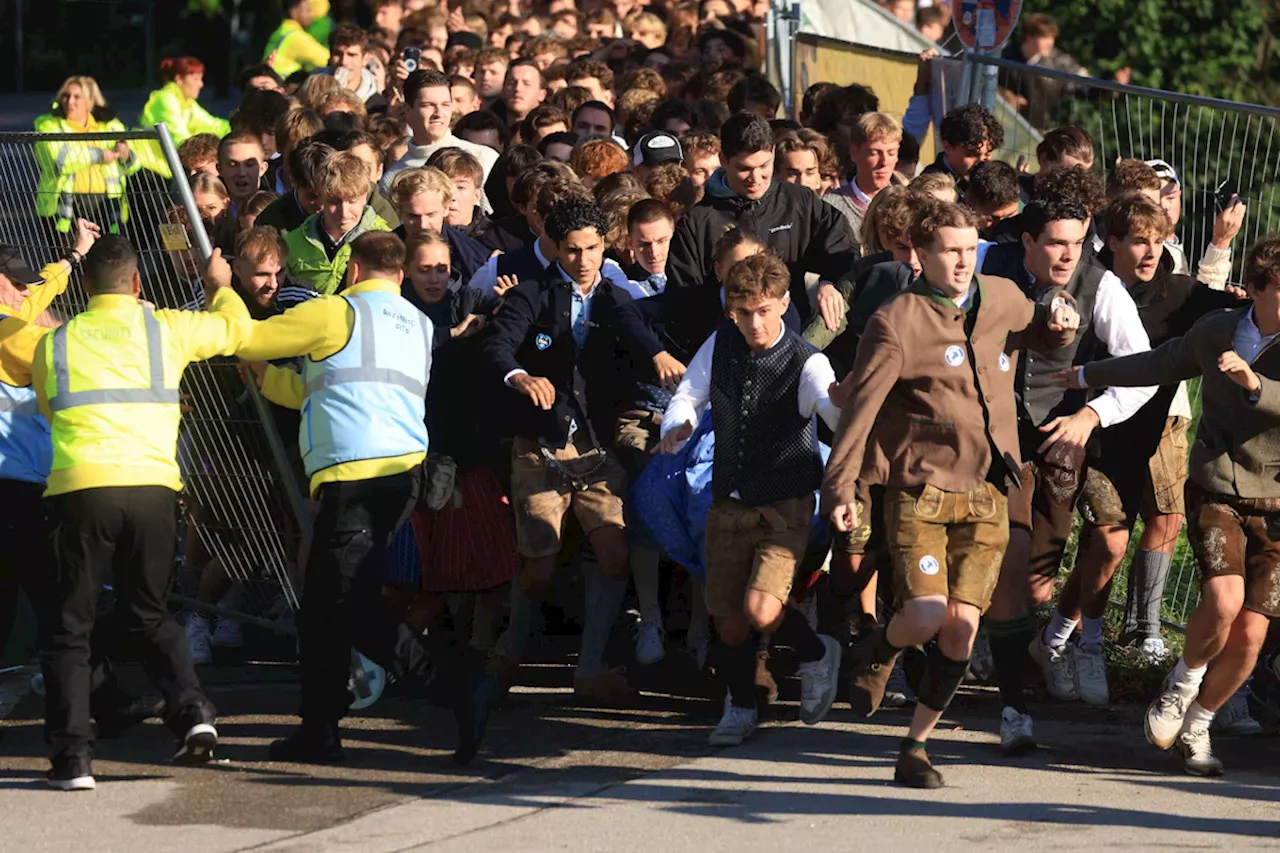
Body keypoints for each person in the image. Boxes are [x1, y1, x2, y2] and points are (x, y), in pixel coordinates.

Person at [826, 201, 1079, 788]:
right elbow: (858, 415)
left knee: (963, 628)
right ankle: (876, 650)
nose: (962, 262)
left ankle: (915, 746)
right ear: (920, 254)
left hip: (989, 490)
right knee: (926, 613)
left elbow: (1039, 333)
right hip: (922, 492)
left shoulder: (1000, 295)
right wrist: (841, 486)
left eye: (969, 249)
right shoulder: (898, 322)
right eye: (948, 250)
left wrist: (1057, 323)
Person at [237, 231, 495, 765]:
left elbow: (247, 336)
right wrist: (268, 382)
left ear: (352, 272)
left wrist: (221, 288)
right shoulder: (418, 325)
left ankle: (450, 682)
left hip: (357, 476)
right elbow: (326, 386)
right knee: (330, 606)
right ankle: (322, 726)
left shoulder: (335, 314)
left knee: (340, 605)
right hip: (398, 477)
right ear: (399, 276)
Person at [1056, 232, 1280, 777]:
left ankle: (1199, 723)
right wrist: (1088, 374)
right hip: (1218, 488)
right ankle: (1180, 686)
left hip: (1275, 501)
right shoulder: (1216, 330)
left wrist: (1256, 385)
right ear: (1254, 288)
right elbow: (1160, 364)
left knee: (1252, 634)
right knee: (1224, 604)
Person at [34, 236, 254, 791]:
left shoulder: (54, 343)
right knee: (151, 612)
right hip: (155, 489)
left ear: (86, 288)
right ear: (137, 284)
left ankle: (73, 761)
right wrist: (220, 287)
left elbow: (46, 405)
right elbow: (234, 329)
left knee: (70, 630)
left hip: (80, 488)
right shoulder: (167, 330)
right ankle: (194, 714)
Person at [979, 193, 1155, 754]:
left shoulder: (1101, 285)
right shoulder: (986, 263)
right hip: (989, 435)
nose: (1068, 255)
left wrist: (1091, 413)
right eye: (1056, 242)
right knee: (996, 555)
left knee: (1036, 575)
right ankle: (988, 659)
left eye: (1078, 242)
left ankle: (1034, 646)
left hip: (1058, 439)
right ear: (1027, 240)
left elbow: (1143, 369)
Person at [1051, 194, 1239, 706]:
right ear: (1112, 242)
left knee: (1102, 547)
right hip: (1073, 434)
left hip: (1134, 442)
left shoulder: (1179, 294)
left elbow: (1240, 313)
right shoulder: (1085, 287)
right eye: (1138, 240)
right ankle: (1085, 643)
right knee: (1106, 543)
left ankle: (1055, 639)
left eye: (1158, 240)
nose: (1150, 251)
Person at [660, 250, 844, 745]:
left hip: (785, 502)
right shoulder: (719, 345)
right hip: (728, 501)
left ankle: (814, 651)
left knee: (762, 610)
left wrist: (842, 402)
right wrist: (677, 424)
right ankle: (739, 706)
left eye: (764, 310)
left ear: (784, 304)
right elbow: (688, 396)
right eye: (744, 312)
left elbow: (827, 403)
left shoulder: (809, 360)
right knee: (728, 619)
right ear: (730, 310)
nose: (754, 322)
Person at [480, 197, 638, 704]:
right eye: (572, 250)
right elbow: (496, 345)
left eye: (593, 248)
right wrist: (520, 375)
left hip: (597, 447)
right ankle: (507, 655)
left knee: (614, 552)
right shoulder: (530, 294)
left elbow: (638, 333)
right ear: (554, 248)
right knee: (539, 566)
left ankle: (590, 668)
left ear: (605, 244)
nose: (584, 259)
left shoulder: (616, 296)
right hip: (540, 447)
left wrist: (658, 355)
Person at [666, 112, 859, 329]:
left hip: (795, 333)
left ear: (774, 153)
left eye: (764, 166)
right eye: (744, 169)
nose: (755, 179)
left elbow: (843, 249)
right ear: (723, 160)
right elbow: (683, 300)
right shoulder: (698, 223)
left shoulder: (799, 202)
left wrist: (830, 282)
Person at [35, 77, 139, 235]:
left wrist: (126, 155)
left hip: (106, 204)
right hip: (64, 207)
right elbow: (61, 161)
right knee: (68, 257)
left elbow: (134, 165)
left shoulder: (111, 126)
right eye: (66, 96)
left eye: (77, 97)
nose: (70, 102)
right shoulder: (49, 126)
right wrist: (99, 155)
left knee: (107, 258)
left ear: (90, 101)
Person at [379, 70, 499, 201]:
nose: (439, 113)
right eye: (428, 105)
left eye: (445, 105)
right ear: (408, 111)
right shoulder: (393, 179)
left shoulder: (484, 157)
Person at [999, 13, 1130, 131]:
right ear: (1028, 37)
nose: (1050, 42)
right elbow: (988, 84)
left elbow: (1087, 87)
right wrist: (1007, 97)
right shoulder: (1005, 57)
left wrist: (1112, 86)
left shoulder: (1061, 63)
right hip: (1004, 125)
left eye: (1052, 38)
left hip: (1039, 131)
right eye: (1044, 37)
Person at [284, 151, 391, 295]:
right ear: (321, 197)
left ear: (365, 196)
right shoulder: (291, 243)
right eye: (334, 201)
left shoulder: (386, 240)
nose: (344, 212)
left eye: (352, 201)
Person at [824, 112, 903, 247]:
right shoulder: (830, 207)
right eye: (874, 153)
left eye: (891, 153)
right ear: (854, 153)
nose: (884, 161)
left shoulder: (909, 204)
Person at [137, 57, 231, 147]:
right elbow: (179, 140)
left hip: (162, 162)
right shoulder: (166, 99)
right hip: (148, 162)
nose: (201, 84)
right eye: (195, 79)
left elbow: (213, 126)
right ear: (179, 79)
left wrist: (239, 127)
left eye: (201, 79)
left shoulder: (187, 103)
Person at [921, 105, 1002, 195]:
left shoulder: (986, 183)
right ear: (948, 147)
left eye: (987, 154)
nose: (981, 163)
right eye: (972, 154)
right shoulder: (932, 187)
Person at [264, 0, 331, 79]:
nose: (311, 15)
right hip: (282, 85)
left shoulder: (280, 32)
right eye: (308, 10)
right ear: (294, 11)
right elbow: (327, 59)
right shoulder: (296, 37)